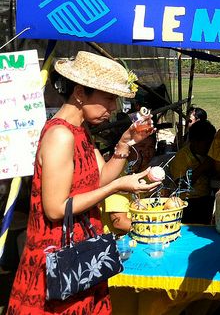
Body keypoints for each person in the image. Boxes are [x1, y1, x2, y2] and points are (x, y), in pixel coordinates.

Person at [8, 51, 161, 315]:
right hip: (58, 261)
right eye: (109, 98)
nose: (113, 108)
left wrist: (124, 144)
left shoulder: (80, 130)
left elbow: (98, 179)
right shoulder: (60, 135)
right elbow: (56, 208)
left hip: (82, 256)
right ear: (80, 92)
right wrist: (116, 188)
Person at [169, 120, 217, 224]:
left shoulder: (208, 155)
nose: (210, 147)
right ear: (194, 141)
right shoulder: (182, 157)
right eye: (207, 144)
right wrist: (203, 167)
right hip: (187, 203)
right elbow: (181, 185)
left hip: (205, 199)